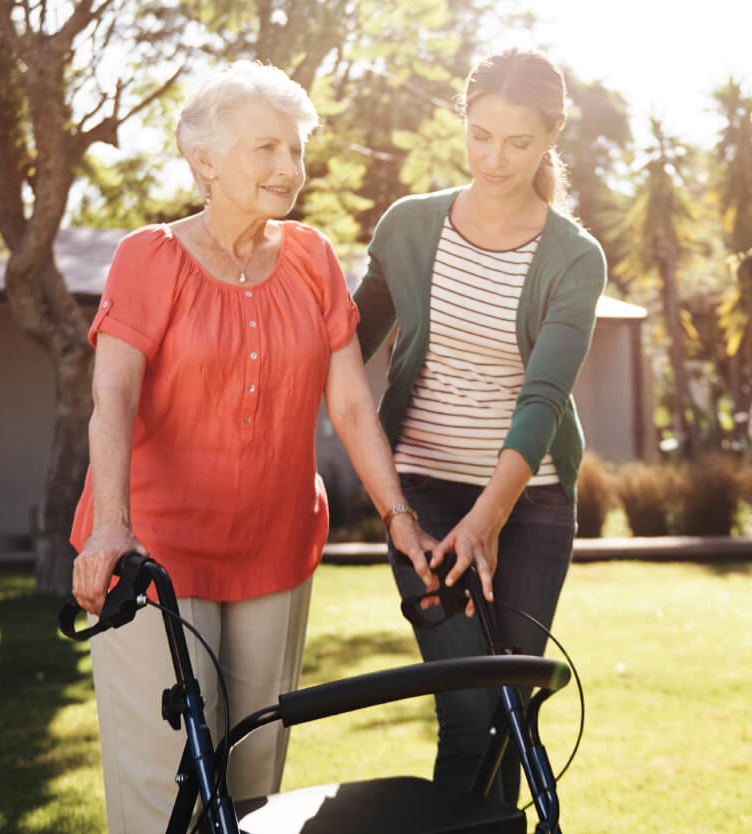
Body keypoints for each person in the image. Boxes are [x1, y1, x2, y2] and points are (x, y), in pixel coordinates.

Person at [70, 61, 435, 834]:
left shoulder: (311, 258)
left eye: (296, 150)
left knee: (256, 774)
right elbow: (114, 396)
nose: (288, 168)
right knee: (163, 781)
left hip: (274, 545)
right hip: (153, 549)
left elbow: (350, 403)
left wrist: (399, 516)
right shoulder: (151, 258)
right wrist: (110, 526)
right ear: (205, 161)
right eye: (265, 148)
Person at [354, 48, 606, 804]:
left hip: (529, 506)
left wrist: (489, 517)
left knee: (510, 715)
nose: (495, 158)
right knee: (468, 710)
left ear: (552, 136)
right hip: (422, 493)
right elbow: (338, 348)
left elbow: (543, 397)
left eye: (519, 142)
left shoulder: (573, 257)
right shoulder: (408, 227)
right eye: (480, 134)